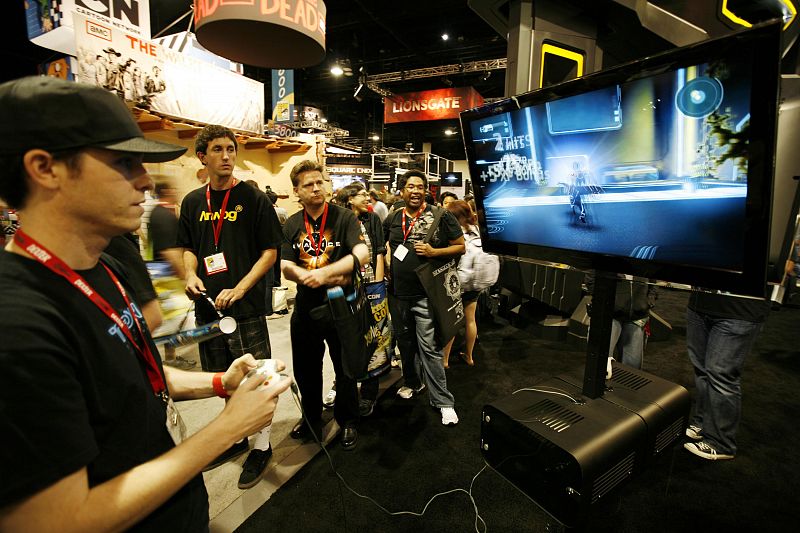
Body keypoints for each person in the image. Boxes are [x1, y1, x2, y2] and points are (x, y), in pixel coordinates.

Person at [0, 76, 290, 531]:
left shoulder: (102, 267)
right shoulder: (18, 326)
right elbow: (54, 523)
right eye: (124, 163)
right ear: (45, 168)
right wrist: (226, 430)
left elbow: (130, 376)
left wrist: (217, 382)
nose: (143, 181)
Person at [177, 124, 284, 489]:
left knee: (258, 378)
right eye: (218, 150)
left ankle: (263, 444)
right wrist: (190, 274)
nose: (226, 156)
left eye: (231, 149)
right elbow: (188, 247)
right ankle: (237, 436)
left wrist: (240, 288)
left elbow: (270, 252)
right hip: (207, 308)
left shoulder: (253, 199)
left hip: (245, 307)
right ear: (202, 156)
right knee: (224, 380)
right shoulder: (193, 202)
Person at [281, 161, 369, 450]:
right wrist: (301, 274)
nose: (317, 188)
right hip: (306, 307)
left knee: (344, 366)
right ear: (297, 191)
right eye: (308, 184)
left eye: (320, 182)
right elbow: (284, 264)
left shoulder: (344, 217)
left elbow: (361, 252)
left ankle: (348, 420)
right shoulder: (293, 223)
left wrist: (325, 273)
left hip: (341, 305)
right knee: (306, 368)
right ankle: (311, 418)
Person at [384, 170, 465, 426]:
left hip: (425, 296)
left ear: (427, 191)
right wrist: (386, 262)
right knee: (405, 345)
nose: (415, 191)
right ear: (402, 191)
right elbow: (386, 244)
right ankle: (413, 382)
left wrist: (434, 251)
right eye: (410, 186)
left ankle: (443, 401)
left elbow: (461, 246)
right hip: (397, 295)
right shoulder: (394, 216)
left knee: (429, 348)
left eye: (420, 187)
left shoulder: (442, 216)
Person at [683, 290, 770, 461]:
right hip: (700, 304)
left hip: (740, 310)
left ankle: (721, 443)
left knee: (721, 374)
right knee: (702, 370)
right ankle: (702, 423)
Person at [333, 183, 386, 416]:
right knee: (345, 341)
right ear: (348, 199)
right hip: (346, 290)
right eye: (362, 195)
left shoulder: (371, 219)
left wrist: (378, 285)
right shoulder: (338, 221)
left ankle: (368, 393)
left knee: (372, 339)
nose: (368, 198)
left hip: (371, 286)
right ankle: (343, 387)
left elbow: (380, 252)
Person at [148, 181, 194, 370]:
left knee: (172, 320)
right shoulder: (163, 216)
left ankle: (170, 358)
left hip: (161, 274)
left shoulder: (158, 213)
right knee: (175, 320)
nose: (177, 193)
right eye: (174, 190)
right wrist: (185, 277)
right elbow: (170, 251)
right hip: (166, 276)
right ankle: (160, 362)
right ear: (167, 192)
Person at [586, 272, 655, 370]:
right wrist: (603, 299)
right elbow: (591, 276)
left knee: (632, 369)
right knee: (600, 364)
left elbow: (653, 280)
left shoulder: (644, 257)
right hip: (609, 314)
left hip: (637, 315)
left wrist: (649, 301)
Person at [442, 200, 482, 368]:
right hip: (475, 282)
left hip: (456, 282)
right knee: (470, 320)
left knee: (452, 321)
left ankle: (444, 360)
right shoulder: (477, 231)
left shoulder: (454, 233)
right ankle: (469, 356)